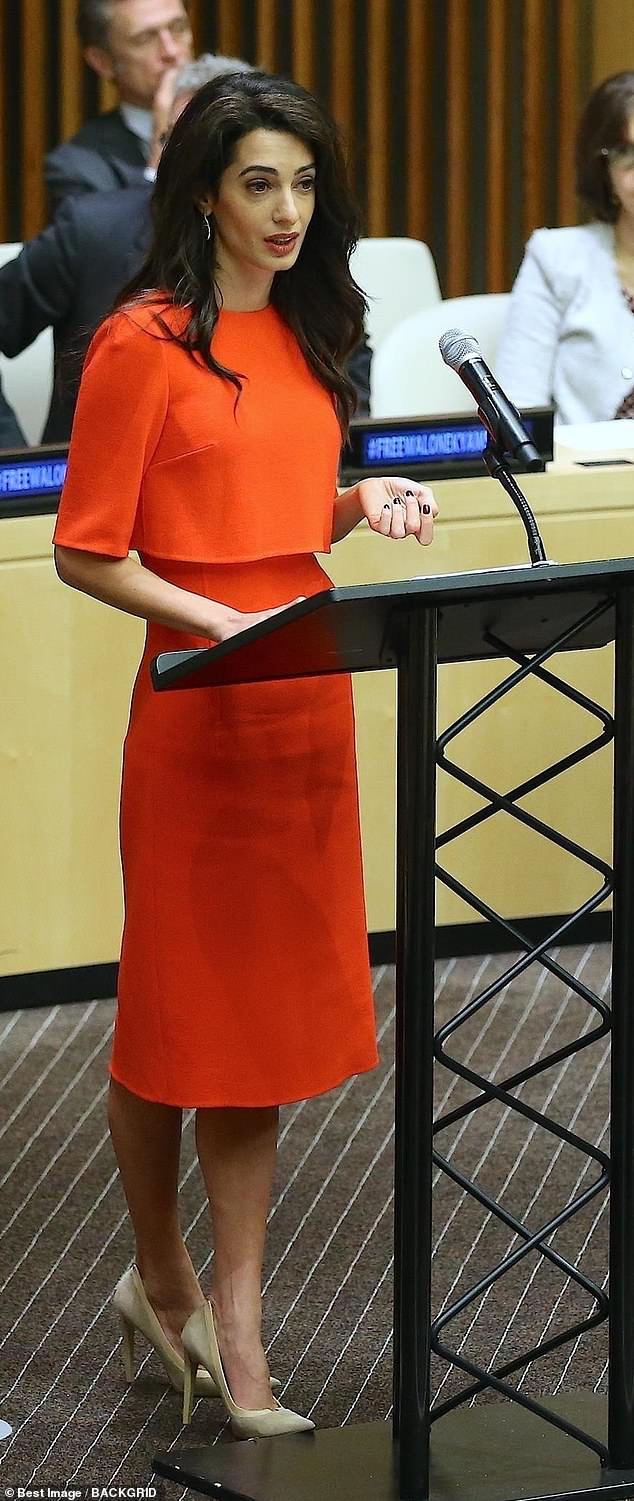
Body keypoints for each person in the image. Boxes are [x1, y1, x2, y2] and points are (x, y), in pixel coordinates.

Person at [53, 69, 438, 1437]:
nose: (286, 211)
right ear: (205, 195)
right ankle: (163, 1282)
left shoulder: (316, 329)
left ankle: (236, 1326)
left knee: (257, 1037)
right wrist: (215, 615)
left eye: (304, 184)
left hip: (300, 707)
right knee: (179, 1019)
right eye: (258, 183)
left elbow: (268, 507)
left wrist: (355, 498)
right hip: (198, 705)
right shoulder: (140, 343)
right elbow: (86, 549)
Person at [0, 55, 371, 441]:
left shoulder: (312, 285)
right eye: (169, 141)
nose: (288, 212)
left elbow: (346, 407)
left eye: (304, 183)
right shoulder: (94, 237)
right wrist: (9, 457)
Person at [496, 71, 634, 426]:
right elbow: (517, 415)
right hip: (588, 462)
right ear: (605, 172)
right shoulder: (557, 259)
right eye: (628, 157)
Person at [45, 0, 193, 212]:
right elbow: (124, 234)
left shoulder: (238, 118)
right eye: (145, 39)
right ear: (102, 62)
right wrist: (164, 141)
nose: (171, 51)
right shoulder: (77, 168)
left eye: (178, 28)